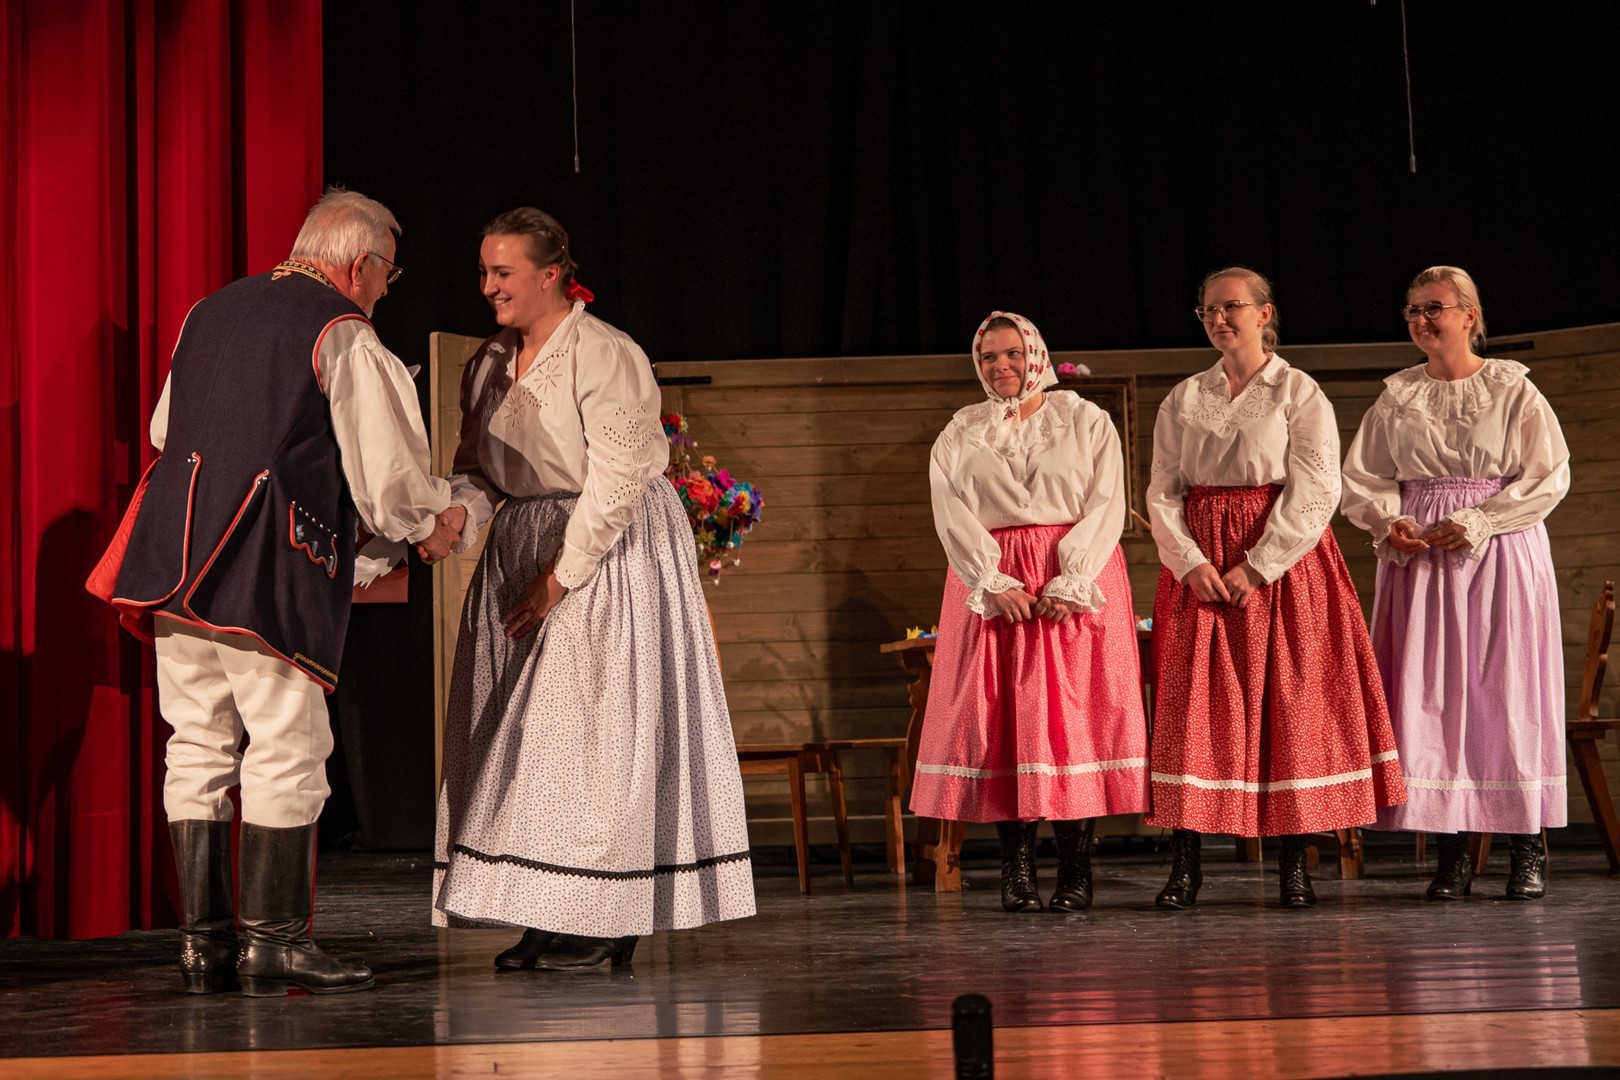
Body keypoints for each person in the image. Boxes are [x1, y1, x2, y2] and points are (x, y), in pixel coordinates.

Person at [91, 189, 464, 995]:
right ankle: (274, 944)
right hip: (263, 561)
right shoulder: (341, 330)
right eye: (387, 274)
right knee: (287, 744)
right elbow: (388, 479)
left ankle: (203, 948)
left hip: (173, 558)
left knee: (196, 742)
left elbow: (164, 431)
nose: (383, 289)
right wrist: (428, 524)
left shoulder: (208, 311)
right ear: (359, 264)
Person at [429, 208, 754, 969]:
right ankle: (546, 907)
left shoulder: (604, 353)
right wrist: (454, 519)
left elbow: (617, 480)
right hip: (523, 542)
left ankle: (609, 910)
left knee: (591, 733)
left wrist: (562, 575)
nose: (489, 287)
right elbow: (478, 469)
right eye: (484, 272)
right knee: (525, 740)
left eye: (503, 272)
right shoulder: (488, 361)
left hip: (606, 548)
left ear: (551, 275)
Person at [1146, 267, 1406, 909]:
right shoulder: (1185, 396)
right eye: (1207, 310)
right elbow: (1162, 490)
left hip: (1283, 564)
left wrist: (1259, 564)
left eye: (1231, 307)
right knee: (1193, 709)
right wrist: (1189, 561)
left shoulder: (1297, 390)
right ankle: (1185, 866)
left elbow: (1317, 488)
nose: (1218, 319)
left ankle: (1295, 863)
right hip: (1204, 563)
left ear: (1264, 314)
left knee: (1291, 704)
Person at [1342, 266, 1570, 901]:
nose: (1420, 320)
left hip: (1500, 550)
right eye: (1412, 310)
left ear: (1470, 315)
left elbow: (1548, 475)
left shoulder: (1513, 389)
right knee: (1432, 695)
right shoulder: (1398, 397)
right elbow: (1362, 477)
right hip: (1421, 557)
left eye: (1433, 308)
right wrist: (1390, 520)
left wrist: (1481, 518)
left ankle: (1526, 849)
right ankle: (1451, 853)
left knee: (1507, 691)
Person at [909, 310, 1149, 913]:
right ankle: (1016, 872)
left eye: (1012, 353)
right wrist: (988, 580)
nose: (1002, 366)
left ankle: (1076, 871)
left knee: (1074, 722)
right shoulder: (961, 430)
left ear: (1035, 354)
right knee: (1003, 722)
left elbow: (1107, 501)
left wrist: (1073, 577)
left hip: (1072, 580)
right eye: (989, 356)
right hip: (995, 584)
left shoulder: (1084, 419)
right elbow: (949, 510)